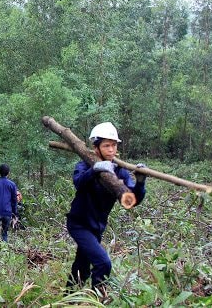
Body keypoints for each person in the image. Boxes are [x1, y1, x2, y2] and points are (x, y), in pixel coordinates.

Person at [65, 122, 147, 299]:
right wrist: (95, 170)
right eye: (106, 145)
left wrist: (140, 183)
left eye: (114, 145)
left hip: (97, 227)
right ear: (96, 148)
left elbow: (131, 200)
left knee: (82, 266)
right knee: (103, 263)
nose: (111, 150)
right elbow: (78, 182)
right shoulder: (84, 166)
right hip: (79, 224)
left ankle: (68, 299)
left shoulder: (120, 171)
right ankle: (98, 300)